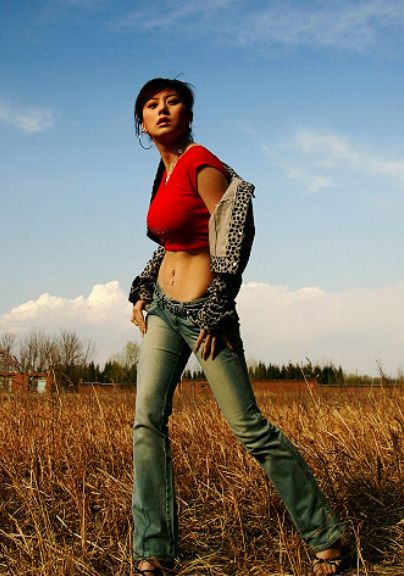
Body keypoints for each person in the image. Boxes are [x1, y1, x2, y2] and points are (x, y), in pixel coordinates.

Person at [128, 78, 351, 576]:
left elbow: (237, 225)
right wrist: (143, 285)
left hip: (205, 315)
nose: (162, 110)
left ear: (188, 115)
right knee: (147, 421)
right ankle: (154, 550)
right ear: (141, 123)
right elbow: (172, 242)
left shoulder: (201, 162)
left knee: (249, 427)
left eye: (172, 102)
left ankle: (327, 536)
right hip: (163, 309)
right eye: (151, 105)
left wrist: (219, 302)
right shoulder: (163, 174)